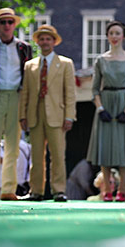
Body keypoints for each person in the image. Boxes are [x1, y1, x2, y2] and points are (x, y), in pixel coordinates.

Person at [86, 20, 125, 202]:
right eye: (111, 33)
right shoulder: (100, 60)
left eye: (117, 33)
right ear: (107, 36)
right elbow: (95, 88)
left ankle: (122, 190)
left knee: (124, 149)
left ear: (124, 36)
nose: (114, 37)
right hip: (106, 103)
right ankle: (106, 191)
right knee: (105, 147)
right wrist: (100, 108)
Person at [0, 8, 32, 200]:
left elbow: (29, 77)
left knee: (13, 145)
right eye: (3, 22)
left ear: (15, 24)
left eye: (10, 22)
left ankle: (9, 189)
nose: (7, 25)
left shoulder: (25, 48)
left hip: (17, 97)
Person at [19, 25, 76, 202]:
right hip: (35, 114)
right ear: (38, 42)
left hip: (57, 115)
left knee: (58, 155)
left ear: (54, 42)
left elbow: (70, 92)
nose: (45, 42)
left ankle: (58, 190)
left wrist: (69, 116)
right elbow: (25, 92)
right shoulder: (30, 65)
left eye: (48, 39)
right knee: (36, 156)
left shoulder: (65, 63)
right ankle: (36, 191)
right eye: (42, 39)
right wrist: (23, 115)